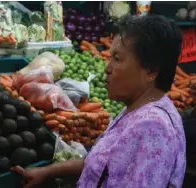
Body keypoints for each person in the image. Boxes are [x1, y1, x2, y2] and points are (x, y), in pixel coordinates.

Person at [12, 15, 186, 188]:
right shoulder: (139, 110)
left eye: (117, 59)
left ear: (151, 72)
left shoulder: (152, 127)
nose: (107, 68)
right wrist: (48, 172)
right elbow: (101, 165)